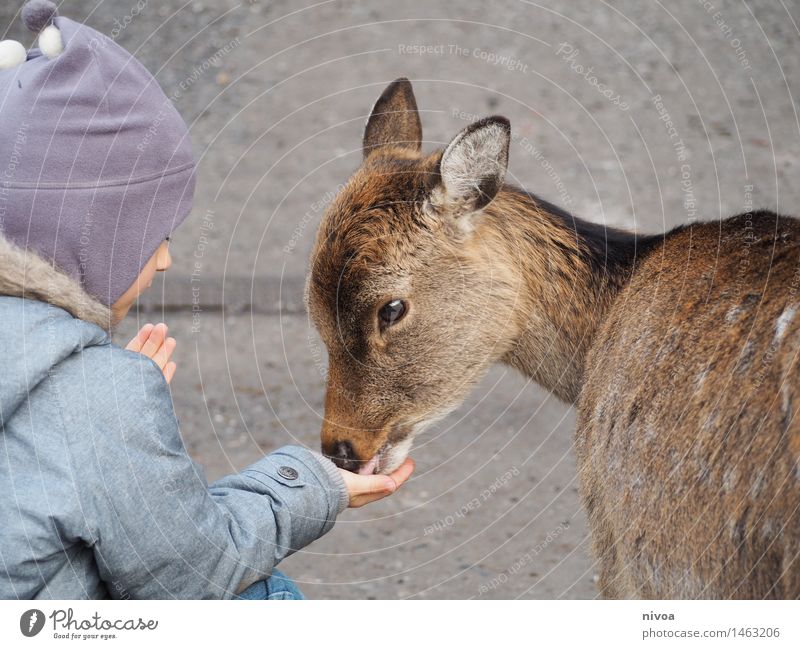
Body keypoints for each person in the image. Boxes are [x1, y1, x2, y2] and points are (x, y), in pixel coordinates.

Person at [0, 1, 413, 600]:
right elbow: (195, 570)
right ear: (93, 234)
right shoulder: (95, 397)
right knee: (260, 598)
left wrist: (114, 424)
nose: (165, 258)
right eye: (153, 235)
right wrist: (312, 486)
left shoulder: (84, 387)